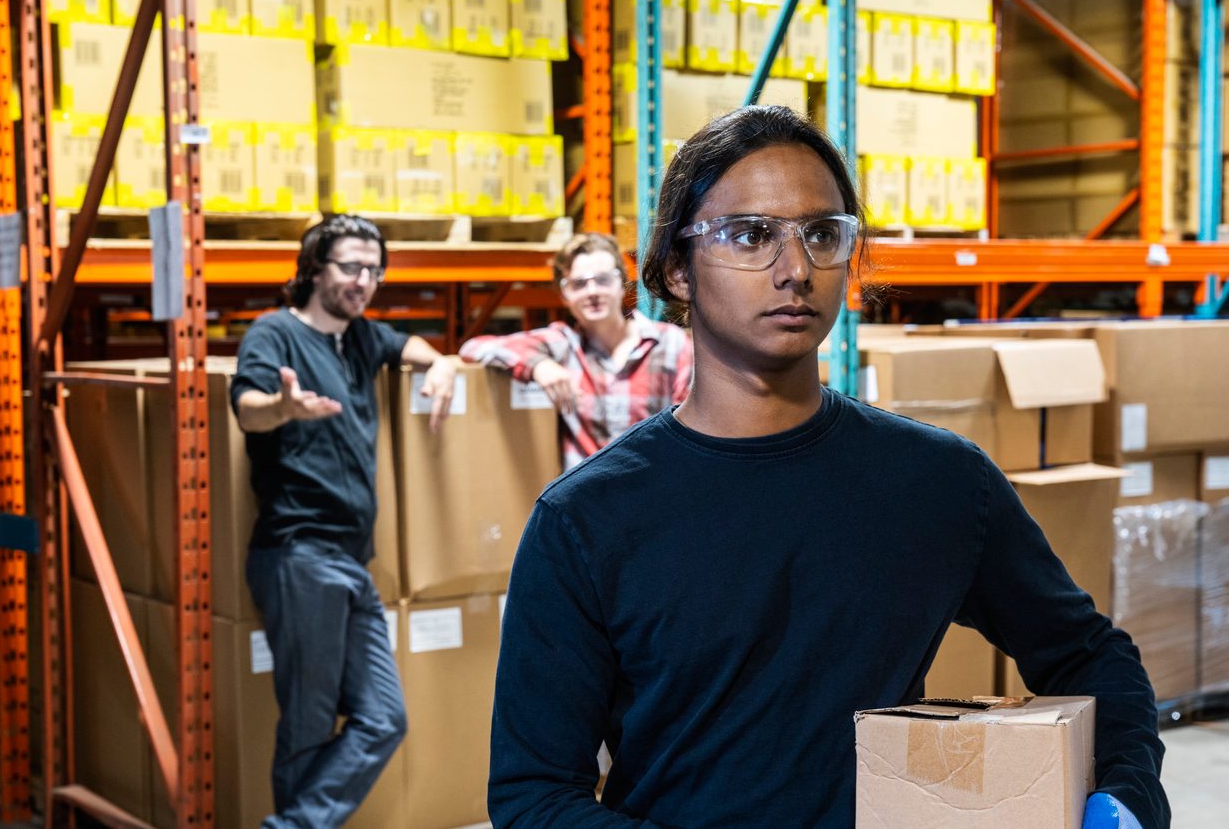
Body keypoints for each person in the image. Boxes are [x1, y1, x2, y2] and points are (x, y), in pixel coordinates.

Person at [488, 107, 1166, 828]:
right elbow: (534, 796)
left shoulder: (937, 483)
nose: (795, 269)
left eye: (822, 234)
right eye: (750, 236)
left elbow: (1091, 655)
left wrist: (1124, 796)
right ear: (676, 271)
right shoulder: (587, 521)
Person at [231, 215, 460, 828]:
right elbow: (247, 409)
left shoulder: (360, 339)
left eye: (373, 270)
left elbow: (408, 346)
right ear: (314, 268)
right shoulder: (274, 333)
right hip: (298, 553)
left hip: (352, 561)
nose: (364, 280)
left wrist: (441, 362)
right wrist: (281, 406)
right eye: (350, 267)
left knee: (385, 717)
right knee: (307, 722)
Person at [459, 232, 693, 469]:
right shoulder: (564, 346)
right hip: (585, 499)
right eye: (579, 284)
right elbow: (475, 347)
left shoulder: (670, 344)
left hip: (655, 490)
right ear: (564, 296)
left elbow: (689, 430)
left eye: (602, 280)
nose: (592, 292)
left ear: (621, 284)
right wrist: (538, 365)